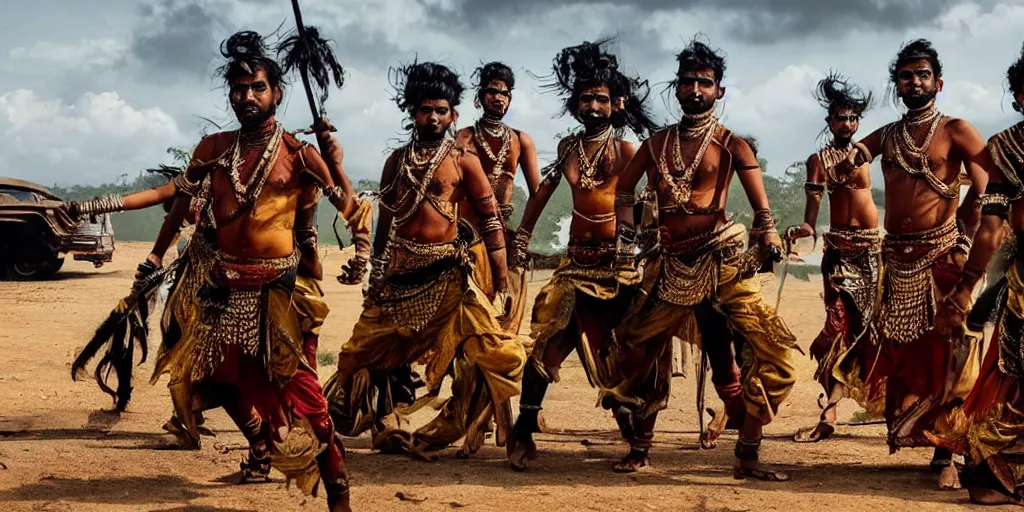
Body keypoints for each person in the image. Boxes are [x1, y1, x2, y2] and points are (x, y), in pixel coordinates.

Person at [122, 31, 367, 511]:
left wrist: (337, 171)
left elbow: (350, 207)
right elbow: (175, 201)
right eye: (238, 89)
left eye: (257, 87)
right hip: (223, 289)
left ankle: (338, 489)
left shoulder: (299, 153)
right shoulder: (214, 147)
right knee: (212, 376)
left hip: (279, 293)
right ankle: (259, 443)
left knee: (305, 400)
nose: (247, 97)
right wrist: (142, 245)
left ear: (277, 92)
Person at [605, 38, 798, 478]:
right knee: (636, 346)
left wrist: (767, 234)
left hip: (723, 258)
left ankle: (747, 454)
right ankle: (639, 446)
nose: (695, 89)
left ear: (720, 91)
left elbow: (762, 211)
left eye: (705, 83)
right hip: (671, 264)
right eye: (688, 82)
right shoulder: (656, 144)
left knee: (776, 356)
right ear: (676, 88)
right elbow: (624, 191)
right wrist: (627, 239)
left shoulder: (733, 145)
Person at [323, 60, 525, 460]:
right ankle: (351, 420)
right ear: (412, 111)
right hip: (400, 279)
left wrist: (501, 283)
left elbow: (490, 223)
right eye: (424, 109)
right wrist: (373, 271)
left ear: (454, 115)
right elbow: (384, 225)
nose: (432, 117)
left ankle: (512, 424)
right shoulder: (396, 162)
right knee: (354, 355)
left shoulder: (464, 160)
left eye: (441, 110)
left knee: (498, 352)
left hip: (449, 279)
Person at [838, 38, 988, 490]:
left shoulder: (957, 130)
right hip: (896, 260)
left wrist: (963, 234)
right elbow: (856, 153)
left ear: (938, 83)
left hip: (942, 256)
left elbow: (988, 190)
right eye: (906, 76)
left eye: (923, 74)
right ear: (897, 85)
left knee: (950, 355)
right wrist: (850, 159)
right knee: (909, 356)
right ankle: (928, 438)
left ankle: (949, 455)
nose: (915, 81)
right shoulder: (886, 134)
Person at [504, 39, 658, 471]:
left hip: (617, 269)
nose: (593, 106)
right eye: (586, 98)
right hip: (574, 266)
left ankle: (636, 443)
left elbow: (642, 203)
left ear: (616, 105)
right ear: (575, 105)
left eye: (601, 99)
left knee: (619, 357)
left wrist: (634, 246)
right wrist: (522, 237)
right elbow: (542, 193)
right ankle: (524, 431)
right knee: (546, 350)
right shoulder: (568, 149)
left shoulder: (627, 151)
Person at [928, 42, 1024, 505]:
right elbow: (990, 226)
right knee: (1011, 376)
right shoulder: (1004, 148)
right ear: (1020, 97)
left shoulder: (1004, 146)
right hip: (1022, 277)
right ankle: (992, 474)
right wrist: (966, 287)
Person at [788, 72, 884, 442]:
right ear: (829, 122)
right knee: (837, 328)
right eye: (840, 118)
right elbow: (812, 209)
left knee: (872, 330)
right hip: (840, 252)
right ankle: (830, 409)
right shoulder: (820, 159)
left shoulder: (868, 152)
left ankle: (886, 406)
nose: (847, 124)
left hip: (873, 249)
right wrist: (807, 229)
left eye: (852, 118)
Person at [456, 61, 541, 333]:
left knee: (503, 319)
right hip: (467, 235)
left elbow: (537, 193)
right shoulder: (464, 138)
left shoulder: (520, 140)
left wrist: (524, 236)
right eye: (492, 91)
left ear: (510, 98)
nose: (498, 98)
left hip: (504, 235)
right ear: (481, 96)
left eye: (504, 93)